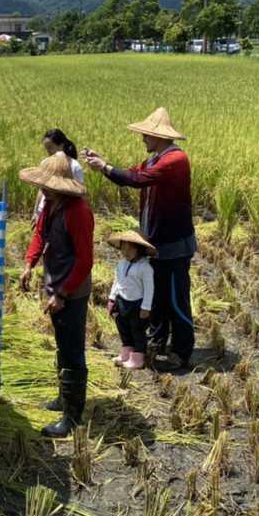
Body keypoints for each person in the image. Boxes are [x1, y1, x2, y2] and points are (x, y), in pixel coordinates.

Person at [82, 107, 196, 371]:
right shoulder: (155, 159)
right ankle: (157, 341)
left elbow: (137, 179)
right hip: (155, 241)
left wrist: (106, 167)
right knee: (155, 296)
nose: (143, 139)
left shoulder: (175, 160)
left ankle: (181, 350)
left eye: (146, 135)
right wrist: (104, 164)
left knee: (176, 298)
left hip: (174, 244)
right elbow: (132, 173)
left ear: (158, 136)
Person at [17, 152, 94, 439]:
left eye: (48, 187)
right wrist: (29, 264)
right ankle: (63, 397)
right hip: (56, 282)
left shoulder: (78, 212)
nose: (43, 190)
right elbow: (40, 235)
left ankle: (72, 418)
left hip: (72, 290)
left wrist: (62, 293)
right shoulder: (51, 204)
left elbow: (85, 260)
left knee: (73, 350)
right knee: (62, 345)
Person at [106, 229, 156, 372]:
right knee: (123, 328)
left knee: (137, 331)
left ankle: (138, 358)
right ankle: (126, 353)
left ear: (139, 250)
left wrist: (146, 307)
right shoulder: (121, 264)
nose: (126, 251)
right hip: (122, 302)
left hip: (137, 305)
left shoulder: (145, 268)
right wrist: (112, 298)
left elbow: (149, 289)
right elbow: (117, 281)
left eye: (130, 248)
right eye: (123, 247)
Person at [34, 129, 84, 221]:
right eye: (46, 148)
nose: (48, 151)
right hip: (44, 211)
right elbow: (41, 189)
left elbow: (79, 192)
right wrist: (36, 212)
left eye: (50, 147)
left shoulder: (74, 166)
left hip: (63, 214)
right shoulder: (45, 163)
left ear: (61, 145)